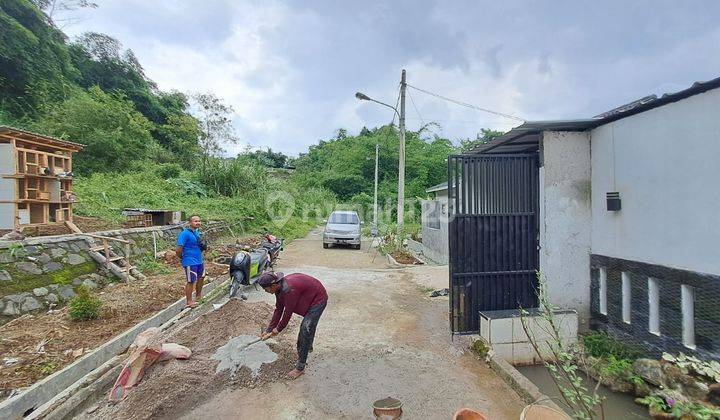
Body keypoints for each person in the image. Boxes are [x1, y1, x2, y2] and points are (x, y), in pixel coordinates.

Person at [257, 272, 328, 380]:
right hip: (309, 296)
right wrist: (269, 329)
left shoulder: (288, 290)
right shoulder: (279, 288)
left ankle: (300, 367)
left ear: (274, 285)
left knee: (305, 330)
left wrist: (278, 329)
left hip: (318, 300)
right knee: (309, 327)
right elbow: (279, 309)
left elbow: (287, 312)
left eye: (266, 289)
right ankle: (308, 346)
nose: (266, 292)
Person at [175, 215, 205, 308]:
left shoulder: (198, 233)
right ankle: (189, 302)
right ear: (189, 223)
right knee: (191, 281)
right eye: (195, 221)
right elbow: (178, 249)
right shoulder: (185, 234)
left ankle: (198, 296)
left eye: (199, 221)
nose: (198, 223)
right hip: (190, 261)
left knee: (201, 278)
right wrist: (183, 258)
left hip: (199, 260)